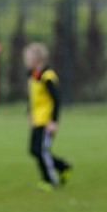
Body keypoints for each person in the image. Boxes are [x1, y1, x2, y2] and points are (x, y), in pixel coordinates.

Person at [23, 42, 72, 191]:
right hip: (37, 120)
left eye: (28, 56)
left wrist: (53, 121)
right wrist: (30, 112)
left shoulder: (48, 77)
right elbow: (34, 97)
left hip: (46, 121)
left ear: (37, 58)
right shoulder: (32, 76)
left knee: (42, 151)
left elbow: (56, 100)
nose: (26, 59)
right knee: (34, 150)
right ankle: (62, 166)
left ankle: (50, 180)